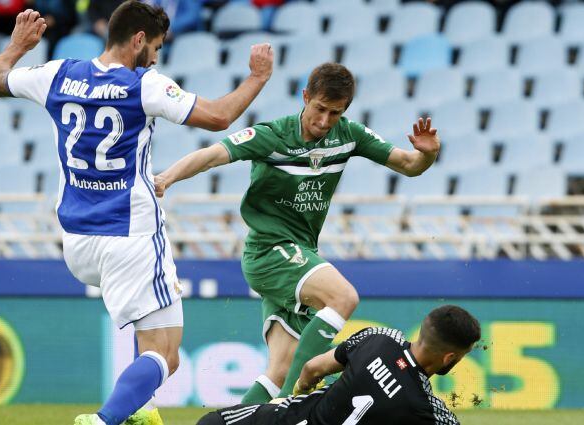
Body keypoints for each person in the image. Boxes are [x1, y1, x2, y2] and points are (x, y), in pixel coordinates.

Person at [0, 2, 273, 424]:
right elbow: (220, 116)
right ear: (137, 40)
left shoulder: (58, 74)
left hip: (78, 242)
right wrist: (258, 77)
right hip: (130, 234)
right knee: (165, 356)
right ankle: (102, 421)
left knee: (150, 340)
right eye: (154, 46)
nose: (154, 57)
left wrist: (18, 46)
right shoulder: (143, 85)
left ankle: (138, 413)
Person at [154, 62, 441, 402]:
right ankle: (301, 390)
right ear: (305, 97)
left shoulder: (349, 136)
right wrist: (166, 178)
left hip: (299, 255)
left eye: (334, 113)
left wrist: (428, 156)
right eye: (319, 108)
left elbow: (409, 165)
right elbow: (212, 155)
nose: (324, 121)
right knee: (343, 298)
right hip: (269, 251)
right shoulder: (272, 135)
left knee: (278, 370)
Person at [197, 304, 481, 425]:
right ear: (450, 358)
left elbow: (312, 369)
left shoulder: (379, 338)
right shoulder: (428, 410)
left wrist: (299, 392)